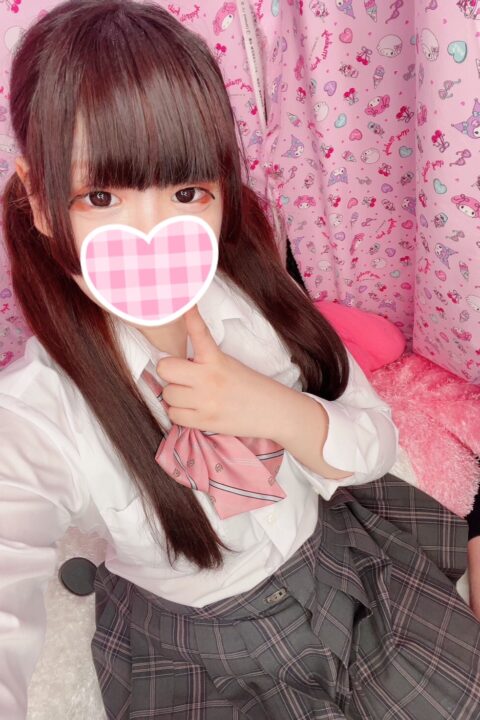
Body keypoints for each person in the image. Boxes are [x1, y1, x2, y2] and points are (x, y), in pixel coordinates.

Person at [0, 2, 479, 718]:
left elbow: (373, 441)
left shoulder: (257, 295)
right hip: (202, 647)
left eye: (186, 192)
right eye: (101, 196)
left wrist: (269, 407)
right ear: (40, 202)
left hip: (339, 563)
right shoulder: (38, 413)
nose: (153, 236)